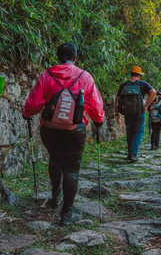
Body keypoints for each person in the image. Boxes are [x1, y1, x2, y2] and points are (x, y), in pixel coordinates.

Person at [22, 42, 104, 226]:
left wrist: (26, 113)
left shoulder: (46, 75)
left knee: (55, 159)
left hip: (49, 129)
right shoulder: (85, 77)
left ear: (59, 57)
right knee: (71, 169)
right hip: (74, 130)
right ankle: (67, 213)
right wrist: (99, 121)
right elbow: (96, 107)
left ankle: (55, 197)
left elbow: (33, 103)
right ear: (75, 57)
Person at [115, 66, 156, 162]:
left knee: (130, 131)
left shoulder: (124, 84)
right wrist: (146, 105)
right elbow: (153, 92)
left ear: (131, 74)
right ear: (139, 75)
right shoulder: (143, 84)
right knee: (138, 131)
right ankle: (133, 154)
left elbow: (117, 99)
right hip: (139, 112)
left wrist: (116, 113)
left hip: (127, 112)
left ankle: (130, 152)